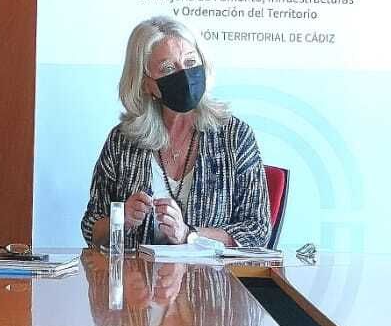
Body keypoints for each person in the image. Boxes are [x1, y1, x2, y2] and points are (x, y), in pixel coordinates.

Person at [81, 16, 270, 250]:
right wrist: (121, 220)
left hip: (212, 283)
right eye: (168, 68)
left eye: (191, 62)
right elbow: (91, 227)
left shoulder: (234, 136)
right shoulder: (123, 141)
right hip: (138, 282)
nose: (184, 75)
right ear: (145, 84)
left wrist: (189, 235)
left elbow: (257, 230)